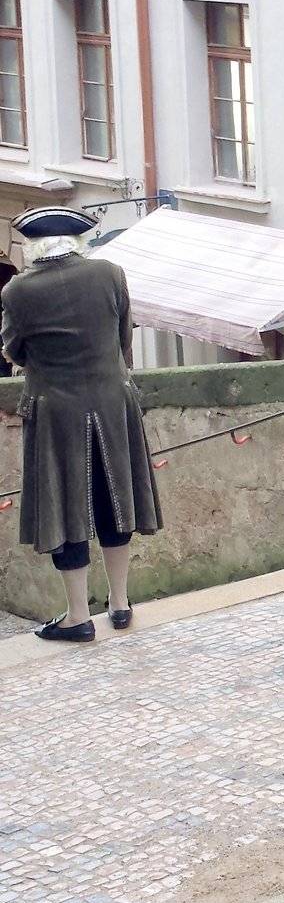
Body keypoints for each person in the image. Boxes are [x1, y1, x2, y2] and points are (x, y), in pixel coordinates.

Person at [0, 206, 162, 642]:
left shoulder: (17, 291)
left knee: (64, 509)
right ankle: (120, 604)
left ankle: (77, 617)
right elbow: (123, 339)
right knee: (113, 500)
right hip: (112, 401)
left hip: (55, 410)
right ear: (77, 242)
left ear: (32, 247)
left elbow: (13, 349)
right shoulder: (110, 274)